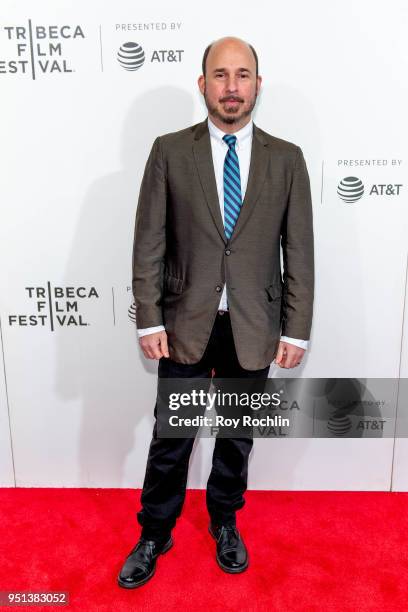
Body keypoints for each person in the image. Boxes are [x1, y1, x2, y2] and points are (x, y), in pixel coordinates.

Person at [118, 36, 314, 589]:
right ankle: (155, 531)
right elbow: (148, 241)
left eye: (243, 75)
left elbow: (298, 250)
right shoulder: (169, 151)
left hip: (254, 325)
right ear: (202, 84)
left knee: (236, 435)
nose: (232, 86)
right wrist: (150, 318)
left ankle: (225, 520)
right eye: (221, 75)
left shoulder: (287, 158)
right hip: (183, 324)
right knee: (171, 436)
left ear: (257, 84)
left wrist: (296, 327)